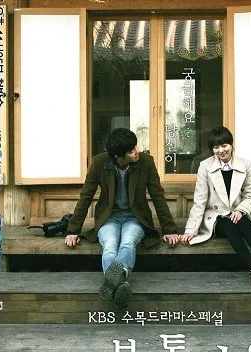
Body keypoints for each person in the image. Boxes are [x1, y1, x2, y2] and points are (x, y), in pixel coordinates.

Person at [65, 128, 180, 309]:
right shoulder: (99, 163)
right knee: (110, 246)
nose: (136, 152)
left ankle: (112, 282)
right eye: (131, 151)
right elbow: (86, 196)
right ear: (118, 156)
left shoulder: (146, 162)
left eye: (135, 147)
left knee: (128, 242)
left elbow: (157, 195)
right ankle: (120, 283)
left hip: (135, 217)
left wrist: (169, 229)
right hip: (108, 217)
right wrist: (73, 230)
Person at [180, 126, 251, 289]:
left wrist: (240, 210)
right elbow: (200, 200)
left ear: (231, 145)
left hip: (239, 215)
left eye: (224, 145)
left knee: (241, 222)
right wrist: (191, 230)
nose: (221, 150)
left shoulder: (245, 164)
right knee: (229, 223)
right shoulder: (205, 166)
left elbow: (250, 195)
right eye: (216, 147)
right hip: (216, 217)